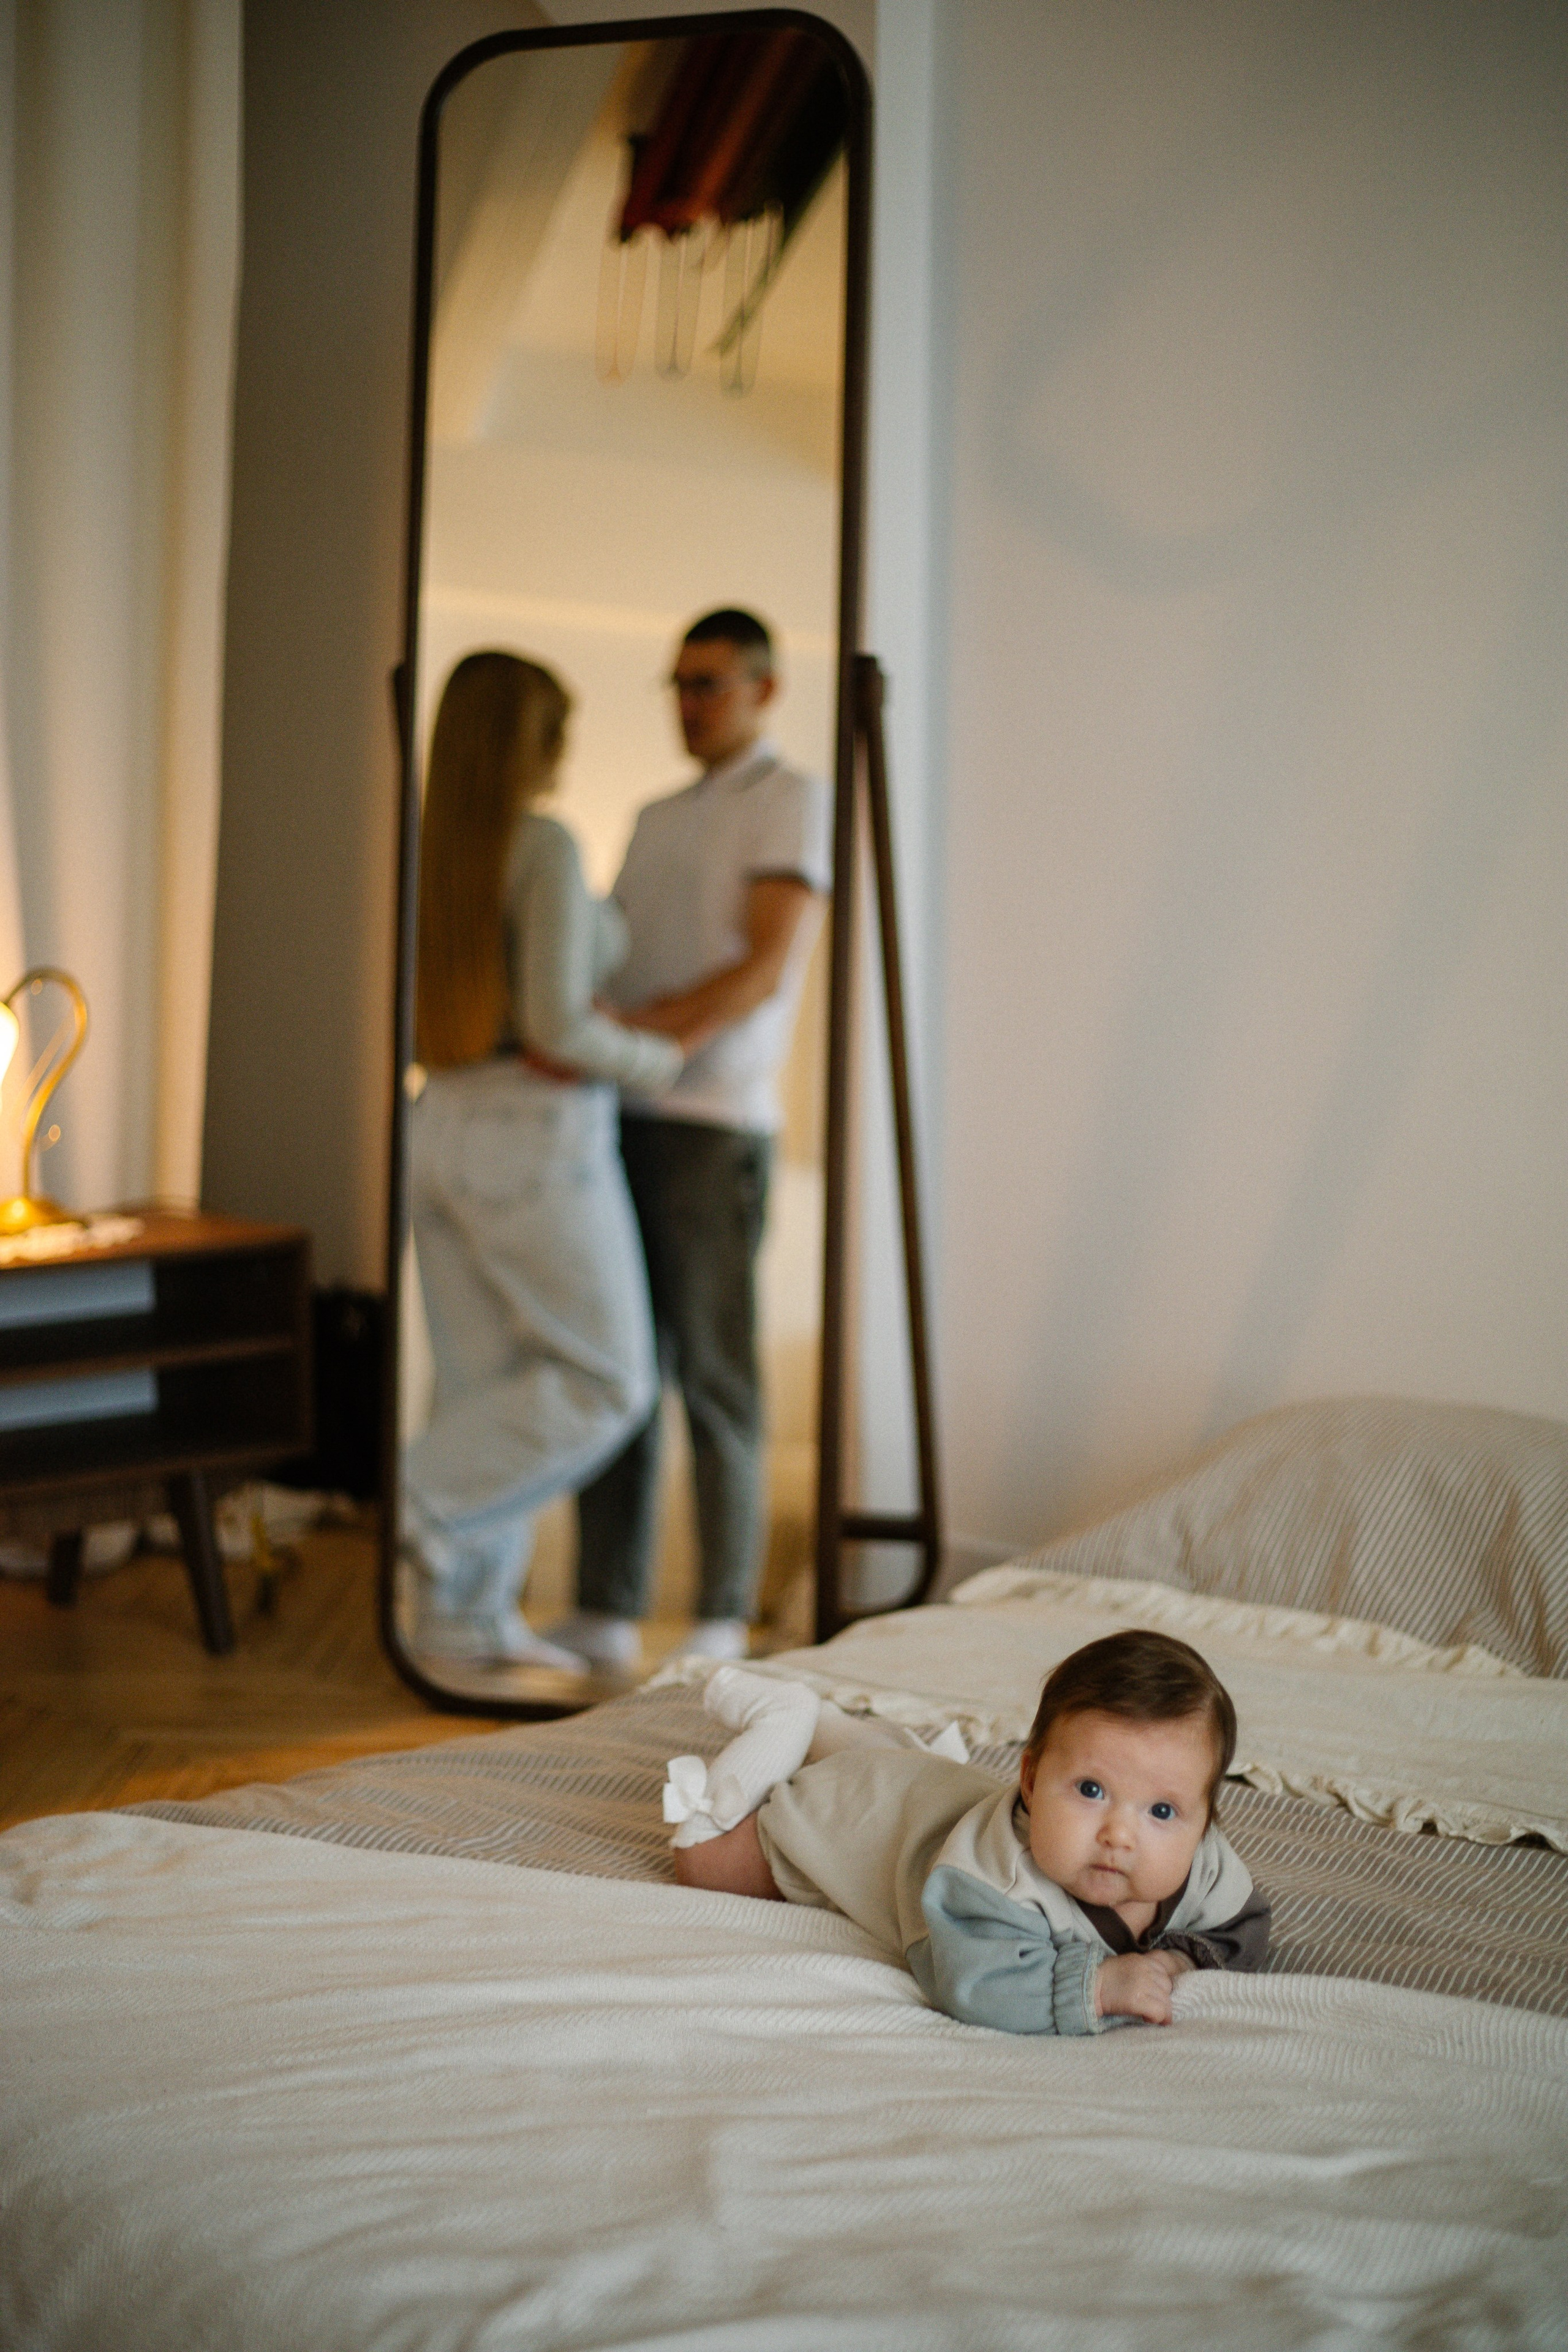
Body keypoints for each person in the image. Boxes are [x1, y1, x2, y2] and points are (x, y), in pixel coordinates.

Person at [548, 609, 831, 1674]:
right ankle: (603, 1607)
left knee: (715, 1373)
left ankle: (722, 1614)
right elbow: (609, 958)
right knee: (619, 1365)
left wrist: (636, 1041)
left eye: (709, 683)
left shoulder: (791, 801)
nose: (689, 703)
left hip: (712, 1127)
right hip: (615, 1118)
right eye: (678, 684)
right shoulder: (653, 814)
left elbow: (762, 968)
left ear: (765, 688)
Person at [403, 651, 684, 1669]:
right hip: (528, 1128)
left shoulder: (423, 848)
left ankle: (463, 1622)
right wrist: (661, 1053)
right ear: (532, 740)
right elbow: (561, 1025)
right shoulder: (545, 846)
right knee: (611, 1381)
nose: (565, 750)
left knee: (484, 1382)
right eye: (555, 728)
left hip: (439, 1124)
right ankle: (417, 1503)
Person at [666, 1629, 1272, 2034]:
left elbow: (1241, 1926)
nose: (1120, 1834)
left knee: (901, 1770)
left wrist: (1178, 1961)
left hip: (917, 1787)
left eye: (1162, 1812)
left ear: (1205, 1818)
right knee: (702, 1864)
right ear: (1030, 1780)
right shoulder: (986, 1877)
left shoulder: (1203, 1866)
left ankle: (838, 1731)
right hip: (849, 1813)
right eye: (1091, 1790)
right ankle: (785, 1718)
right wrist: (1099, 1985)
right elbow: (972, 1980)